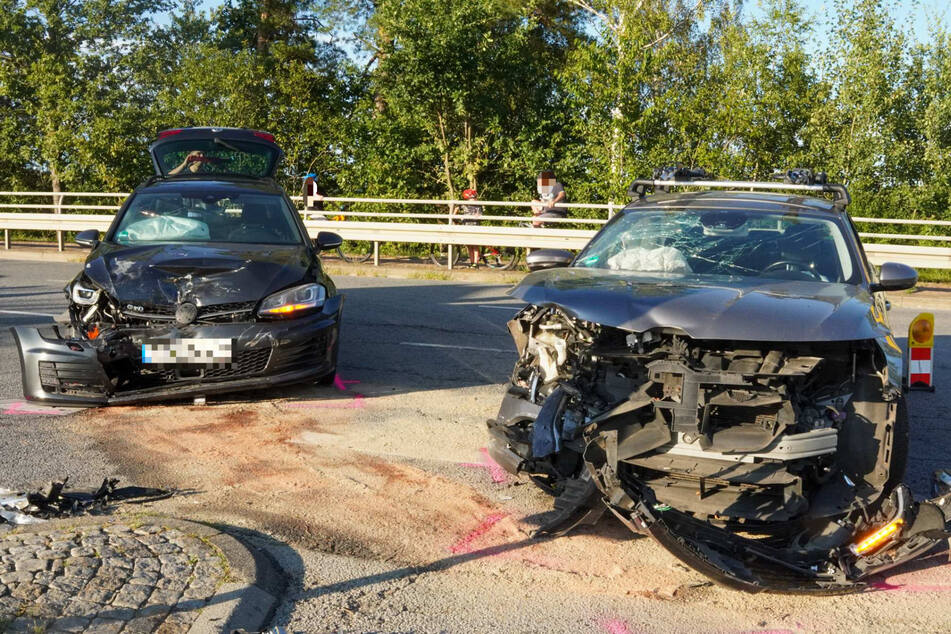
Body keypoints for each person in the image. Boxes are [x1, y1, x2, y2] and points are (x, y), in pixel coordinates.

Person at [458, 188, 483, 268]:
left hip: (473, 226)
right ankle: (472, 263)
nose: (473, 200)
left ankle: (475, 263)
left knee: (474, 246)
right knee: (469, 245)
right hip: (467, 226)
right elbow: (456, 208)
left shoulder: (478, 205)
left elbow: (480, 215)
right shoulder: (464, 204)